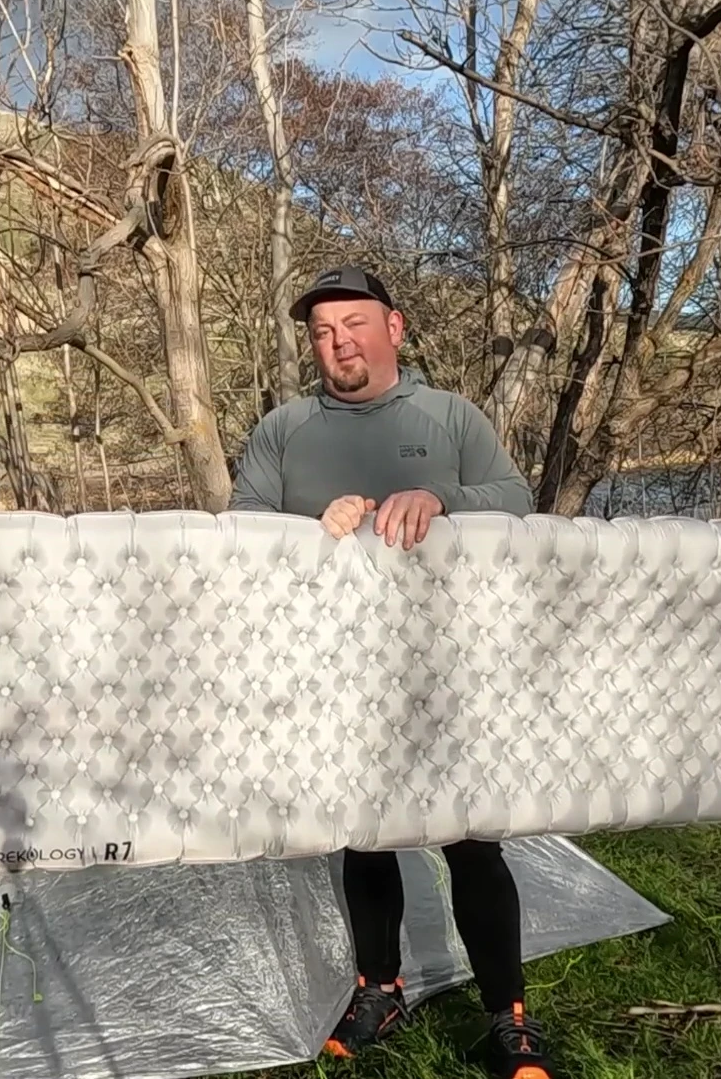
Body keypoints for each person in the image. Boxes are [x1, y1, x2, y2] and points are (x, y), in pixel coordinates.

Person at [227, 265, 555, 1079]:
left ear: (395, 328)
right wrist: (312, 524)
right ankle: (381, 989)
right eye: (322, 330)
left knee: (473, 838)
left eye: (353, 324)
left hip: (449, 669)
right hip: (331, 672)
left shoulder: (449, 417)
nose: (337, 341)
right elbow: (237, 530)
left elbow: (514, 498)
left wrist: (437, 497)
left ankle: (508, 1016)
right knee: (364, 835)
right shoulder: (284, 428)